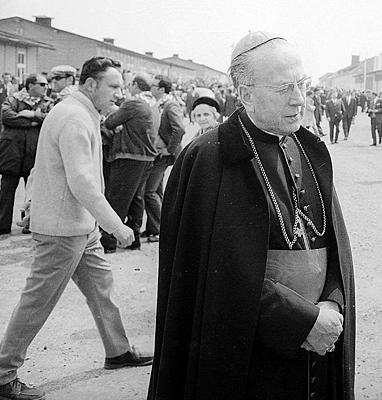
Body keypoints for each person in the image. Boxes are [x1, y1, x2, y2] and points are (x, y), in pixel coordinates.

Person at [148, 32, 355, 400]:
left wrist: (332, 302)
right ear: (245, 94)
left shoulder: (308, 147)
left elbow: (334, 247)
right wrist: (301, 322)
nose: (299, 99)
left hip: (319, 339)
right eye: (283, 88)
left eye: (302, 84)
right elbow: (213, 277)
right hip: (249, 359)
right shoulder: (208, 159)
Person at [0, 57, 153, 400]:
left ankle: (118, 349)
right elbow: (81, 181)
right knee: (37, 302)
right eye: (112, 86)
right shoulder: (74, 117)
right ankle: (0, 374)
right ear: (90, 84)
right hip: (63, 230)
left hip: (80, 226)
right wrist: (117, 226)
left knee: (101, 288)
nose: (119, 93)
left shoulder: (74, 111)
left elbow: (43, 164)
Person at [100, 72, 159, 252]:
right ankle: (133, 240)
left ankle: (108, 242)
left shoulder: (134, 103)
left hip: (129, 156)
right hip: (144, 158)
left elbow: (110, 123)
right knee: (136, 199)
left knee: (116, 198)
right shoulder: (151, 105)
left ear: (134, 84)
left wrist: (114, 118)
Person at [0, 74, 53, 237]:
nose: (45, 87)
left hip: (34, 153)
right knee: (6, 191)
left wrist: (31, 115)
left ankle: (29, 223)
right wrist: (33, 121)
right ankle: (3, 225)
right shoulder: (13, 99)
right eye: (42, 84)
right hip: (12, 152)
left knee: (33, 192)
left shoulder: (48, 102)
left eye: (46, 85)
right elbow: (6, 116)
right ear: (30, 85)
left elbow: (50, 118)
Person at [140, 76, 185, 242]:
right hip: (159, 153)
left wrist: (169, 149)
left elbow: (179, 129)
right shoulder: (161, 104)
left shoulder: (170, 105)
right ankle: (154, 227)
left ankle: (160, 228)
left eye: (153, 85)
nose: (150, 88)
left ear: (161, 89)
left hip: (163, 155)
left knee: (149, 191)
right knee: (157, 190)